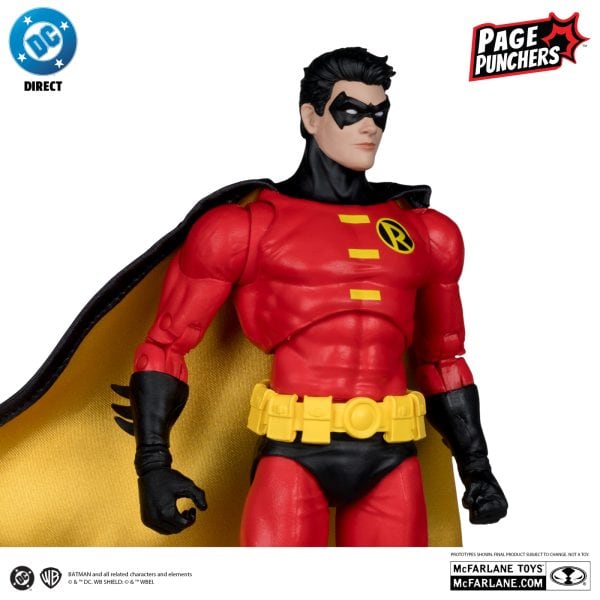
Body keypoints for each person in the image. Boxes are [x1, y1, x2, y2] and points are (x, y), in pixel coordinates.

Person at [114, 47, 508, 546]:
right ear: (310, 116)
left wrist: (477, 466)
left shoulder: (429, 233)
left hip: (392, 458)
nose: (370, 127)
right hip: (292, 455)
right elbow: (166, 346)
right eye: (351, 111)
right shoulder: (243, 229)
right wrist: (152, 465)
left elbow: (443, 359)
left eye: (379, 113)